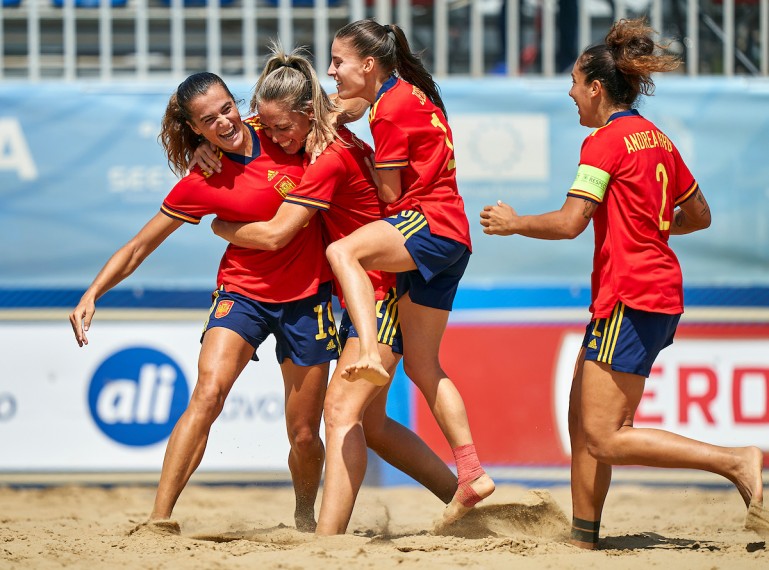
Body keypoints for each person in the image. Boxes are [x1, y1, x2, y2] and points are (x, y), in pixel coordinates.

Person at [480, 18, 768, 548]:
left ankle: (737, 461)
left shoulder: (605, 143)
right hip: (654, 291)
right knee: (581, 419)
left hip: (630, 293)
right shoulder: (656, 138)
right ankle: (584, 536)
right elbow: (698, 214)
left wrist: (515, 222)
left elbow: (570, 223)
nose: (569, 92)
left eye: (573, 81)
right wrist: (649, 224)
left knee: (606, 436)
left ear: (596, 86)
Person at [198, 45, 458, 535]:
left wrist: (222, 227)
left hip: (378, 289)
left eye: (281, 129)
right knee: (374, 425)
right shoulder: (327, 131)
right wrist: (208, 143)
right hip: (381, 282)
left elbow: (277, 234)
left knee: (340, 414)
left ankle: (328, 539)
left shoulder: (329, 159)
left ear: (305, 114)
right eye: (267, 128)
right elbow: (261, 121)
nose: (273, 138)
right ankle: (461, 493)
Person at [68, 72, 338, 533]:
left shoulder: (280, 130)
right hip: (243, 292)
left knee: (305, 433)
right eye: (208, 120)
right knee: (208, 393)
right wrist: (93, 292)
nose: (223, 122)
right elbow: (139, 246)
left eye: (226, 108)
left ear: (238, 103)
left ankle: (304, 516)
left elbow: (333, 109)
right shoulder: (201, 178)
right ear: (195, 129)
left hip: (307, 295)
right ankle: (159, 519)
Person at [324, 19, 495, 529]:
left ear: (369, 64)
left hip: (430, 223)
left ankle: (372, 350)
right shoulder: (407, 95)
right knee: (424, 366)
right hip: (453, 236)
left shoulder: (390, 109)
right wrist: (353, 117)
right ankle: (471, 472)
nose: (331, 70)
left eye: (338, 61)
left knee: (342, 252)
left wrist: (343, 134)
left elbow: (393, 198)